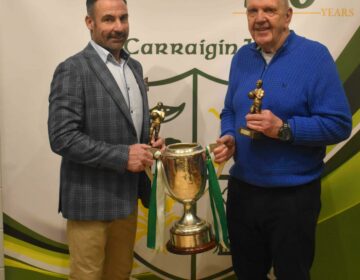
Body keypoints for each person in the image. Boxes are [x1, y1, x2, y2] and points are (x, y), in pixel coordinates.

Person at [214, 0, 352, 279]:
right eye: (253, 11)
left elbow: (339, 125)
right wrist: (229, 136)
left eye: (269, 10)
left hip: (293, 197)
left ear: (288, 16)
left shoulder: (315, 57)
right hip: (243, 191)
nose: (260, 18)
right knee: (246, 274)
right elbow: (230, 110)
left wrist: (283, 129)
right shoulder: (241, 57)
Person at [48, 0, 164, 279]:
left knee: (120, 274)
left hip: (127, 200)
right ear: (90, 23)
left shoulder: (134, 67)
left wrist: (151, 145)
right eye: (109, 19)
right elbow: (62, 137)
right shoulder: (73, 69)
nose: (118, 27)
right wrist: (124, 156)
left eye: (123, 18)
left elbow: (130, 127)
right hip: (90, 201)